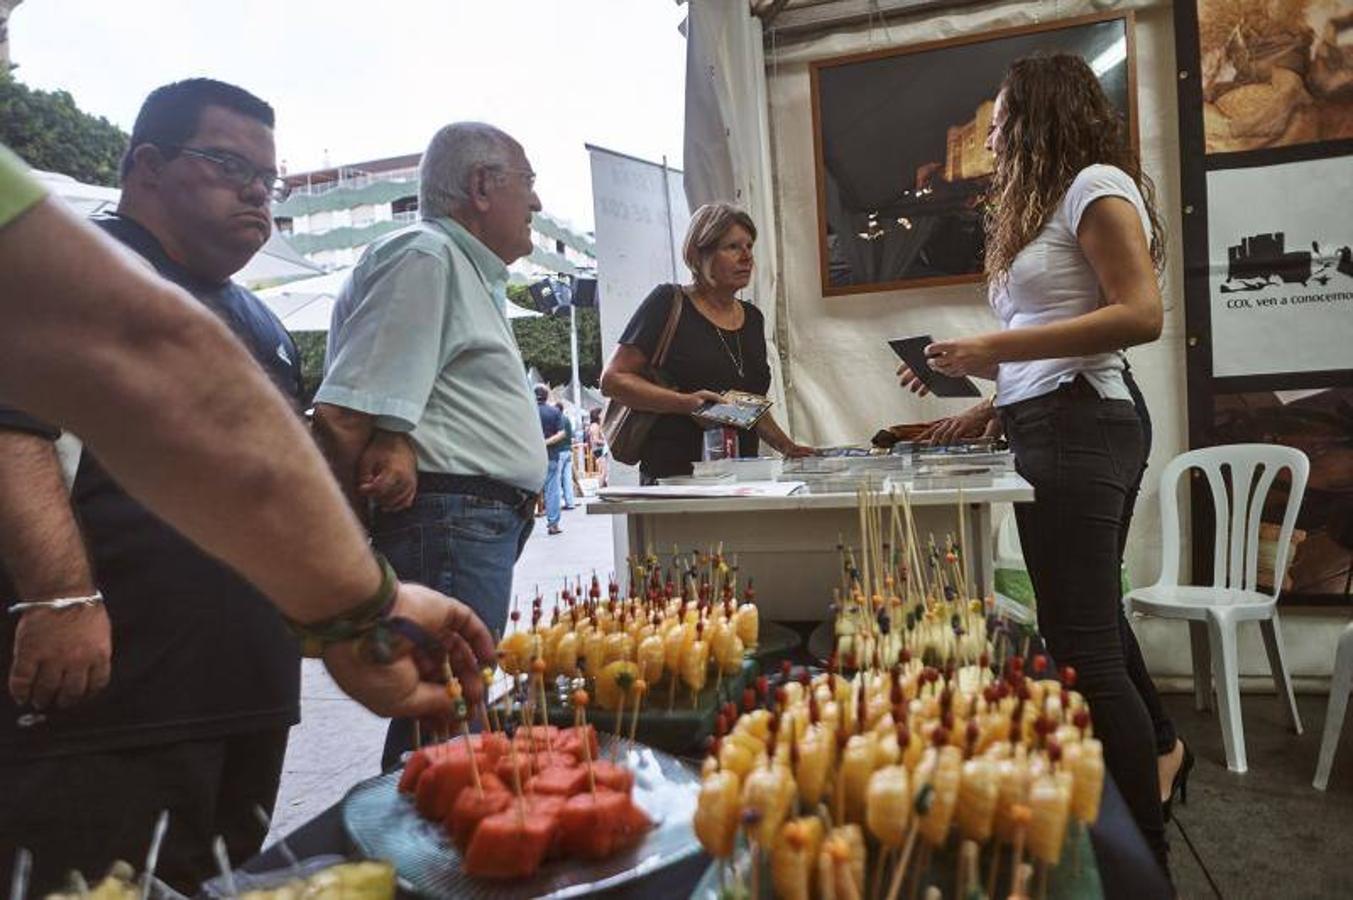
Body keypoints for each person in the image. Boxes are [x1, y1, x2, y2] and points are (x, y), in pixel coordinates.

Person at [0, 95, 492, 892]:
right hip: (109, 692)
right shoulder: (78, 270)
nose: (258, 192)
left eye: (271, 179)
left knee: (217, 877)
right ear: (147, 166)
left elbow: (264, 476)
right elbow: (14, 427)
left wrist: (344, 614)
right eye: (230, 166)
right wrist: (60, 596)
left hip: (242, 689)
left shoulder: (259, 321)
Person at [897, 54, 1183, 873]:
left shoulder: (1094, 184)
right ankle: (1163, 752)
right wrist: (984, 399)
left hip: (1082, 426)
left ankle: (1143, 863)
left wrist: (989, 348)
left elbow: (1140, 314)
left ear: (1039, 115)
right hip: (1051, 420)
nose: (988, 136)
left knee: (1080, 647)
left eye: (999, 120)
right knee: (1088, 624)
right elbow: (1046, 341)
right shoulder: (1046, 204)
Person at [312, 122, 546, 771]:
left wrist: (398, 437)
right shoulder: (427, 255)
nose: (535, 201)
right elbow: (343, 414)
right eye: (528, 183)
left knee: (450, 717)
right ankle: (425, 835)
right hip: (449, 524)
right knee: (445, 724)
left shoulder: (457, 266)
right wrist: (349, 554)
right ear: (481, 186)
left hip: (462, 524)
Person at [600, 202, 811, 483]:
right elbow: (612, 380)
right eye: (733, 247)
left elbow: (749, 406)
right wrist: (685, 403)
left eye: (749, 246)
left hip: (740, 479)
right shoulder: (667, 302)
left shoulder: (753, 318)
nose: (747, 256)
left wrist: (788, 447)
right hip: (675, 479)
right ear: (699, 255)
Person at [535, 386, 568, 534]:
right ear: (547, 396)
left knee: (526, 490)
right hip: (550, 456)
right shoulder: (554, 412)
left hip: (531, 457)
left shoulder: (528, 412)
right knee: (552, 490)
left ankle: (522, 524)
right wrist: (546, 442)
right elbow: (562, 433)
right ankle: (553, 524)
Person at [556, 401, 579, 510]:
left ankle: (558, 503)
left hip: (559, 451)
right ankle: (570, 502)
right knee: (567, 478)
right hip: (568, 451)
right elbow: (571, 436)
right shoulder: (567, 419)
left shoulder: (556, 420)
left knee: (557, 478)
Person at [587, 407, 609, 487]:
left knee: (603, 471)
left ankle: (602, 487)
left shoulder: (594, 425)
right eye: (601, 414)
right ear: (598, 415)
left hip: (598, 450)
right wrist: (606, 443)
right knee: (604, 472)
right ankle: (600, 488)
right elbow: (596, 440)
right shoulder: (595, 426)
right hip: (599, 450)